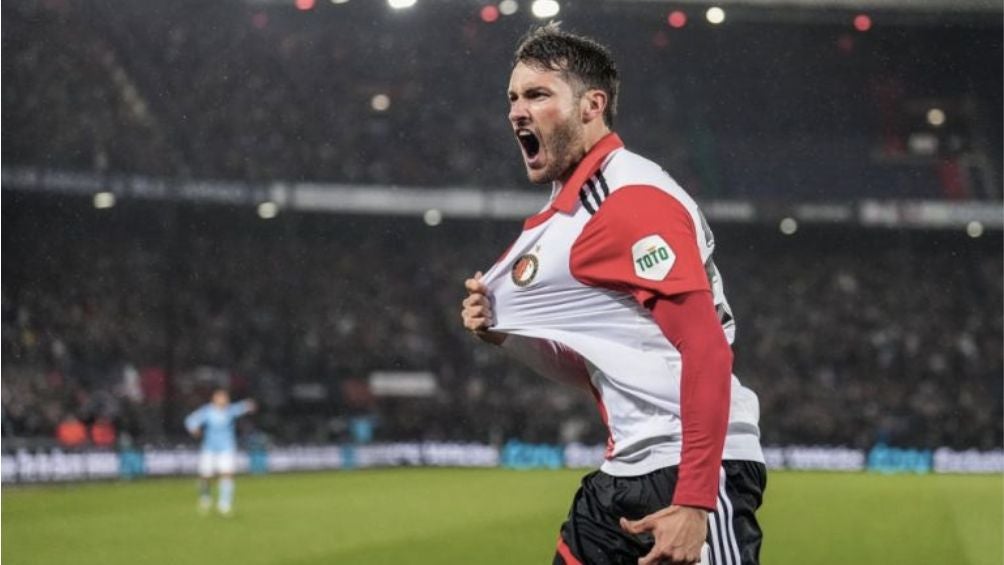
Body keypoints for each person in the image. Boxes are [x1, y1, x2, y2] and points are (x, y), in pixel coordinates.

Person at [461, 24, 766, 565]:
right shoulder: (575, 212)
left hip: (688, 469)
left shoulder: (629, 201)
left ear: (591, 105)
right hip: (626, 470)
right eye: (512, 97)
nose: (516, 111)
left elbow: (706, 348)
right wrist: (506, 335)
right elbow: (593, 369)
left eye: (537, 94)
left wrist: (695, 502)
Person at [184, 389, 256, 516]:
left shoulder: (230, 410)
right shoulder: (207, 411)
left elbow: (245, 406)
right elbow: (190, 420)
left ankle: (224, 504)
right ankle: (205, 497)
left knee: (227, 474)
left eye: (225, 398)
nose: (224, 400)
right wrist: (194, 429)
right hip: (209, 448)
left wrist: (250, 405)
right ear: (214, 399)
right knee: (205, 476)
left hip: (227, 447)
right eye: (221, 397)